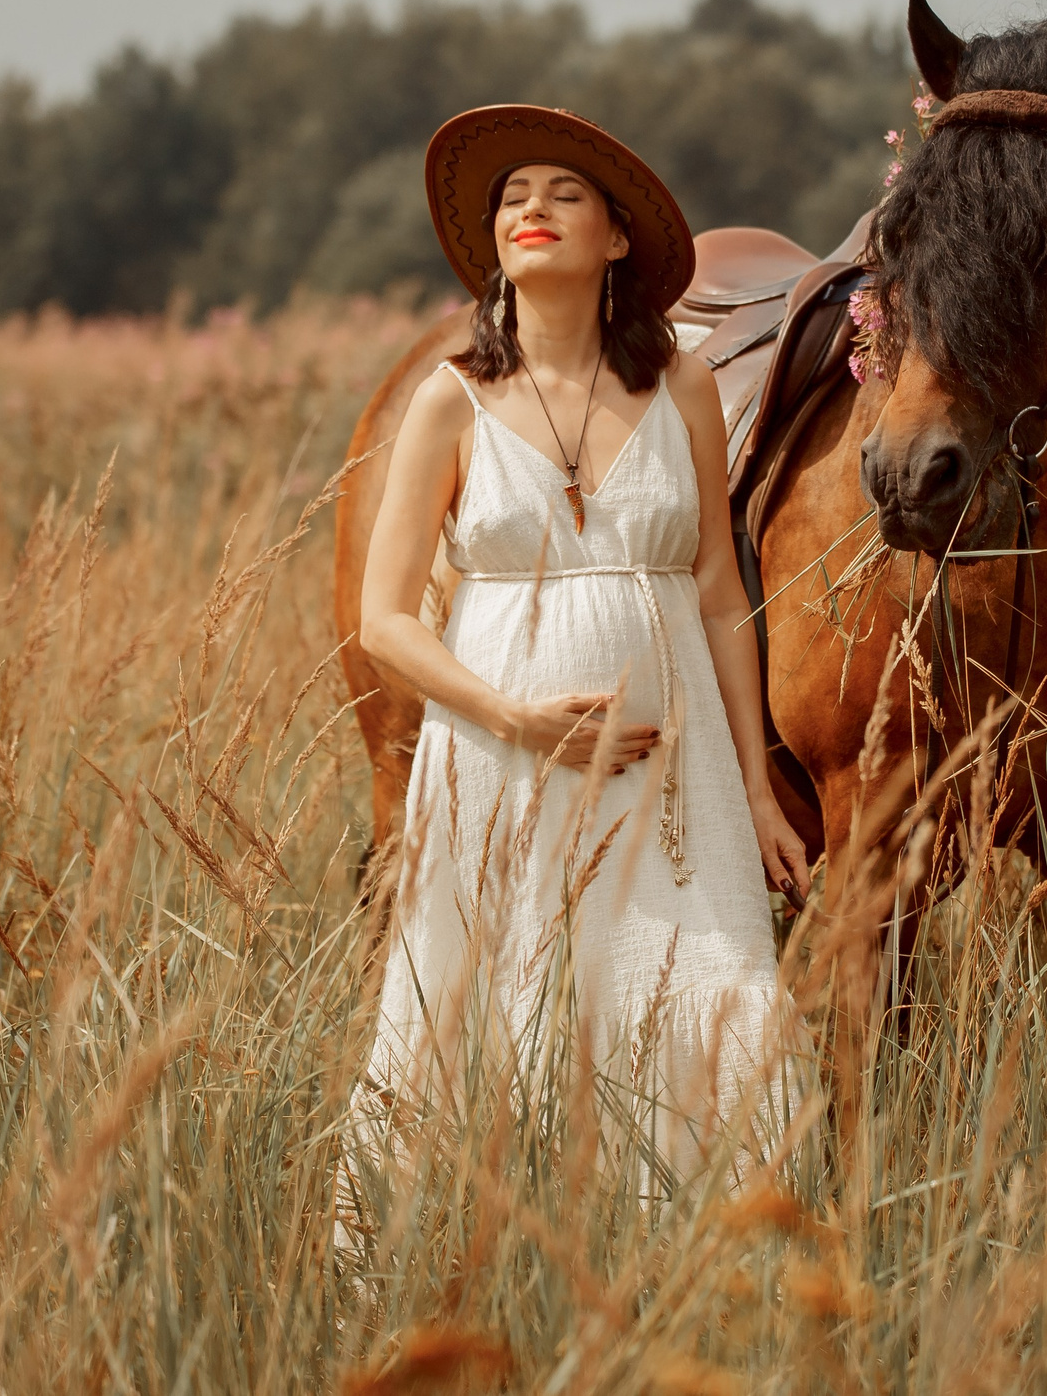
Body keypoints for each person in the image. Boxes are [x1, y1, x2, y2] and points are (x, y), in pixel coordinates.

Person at [341, 105, 812, 1238]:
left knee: (721, 1005)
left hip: (675, 783)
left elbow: (713, 589)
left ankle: (710, 1274)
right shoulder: (450, 398)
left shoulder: (681, 388)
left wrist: (753, 787)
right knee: (496, 1012)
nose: (531, 211)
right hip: (498, 763)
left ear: (615, 242)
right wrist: (511, 715)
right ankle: (473, 1262)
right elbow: (383, 621)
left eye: (562, 194)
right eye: (512, 199)